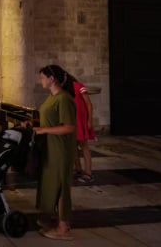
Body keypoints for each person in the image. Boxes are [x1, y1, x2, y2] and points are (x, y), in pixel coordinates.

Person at [33, 64, 77, 241]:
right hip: (50, 148)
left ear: (52, 79)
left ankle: (63, 227)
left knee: (61, 187)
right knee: (51, 184)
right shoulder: (51, 97)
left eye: (43, 77)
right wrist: (34, 125)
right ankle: (54, 219)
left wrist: (44, 130)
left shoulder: (64, 99)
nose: (41, 80)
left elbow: (68, 127)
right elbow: (49, 119)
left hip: (61, 150)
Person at [62, 73, 96, 183]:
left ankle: (88, 173)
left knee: (84, 146)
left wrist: (89, 120)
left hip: (81, 121)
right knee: (73, 145)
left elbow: (89, 104)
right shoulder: (64, 90)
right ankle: (78, 168)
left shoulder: (79, 86)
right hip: (71, 121)